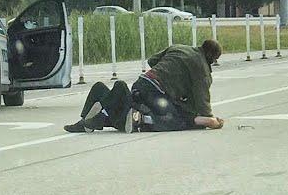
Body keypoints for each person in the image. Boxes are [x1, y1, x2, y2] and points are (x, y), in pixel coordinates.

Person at [64, 39, 225, 133]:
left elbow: (152, 61)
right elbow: (202, 102)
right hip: (157, 94)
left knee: (100, 87)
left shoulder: (179, 48)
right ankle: (126, 119)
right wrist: (211, 119)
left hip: (141, 83)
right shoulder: (202, 69)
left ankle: (85, 121)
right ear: (212, 58)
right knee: (171, 118)